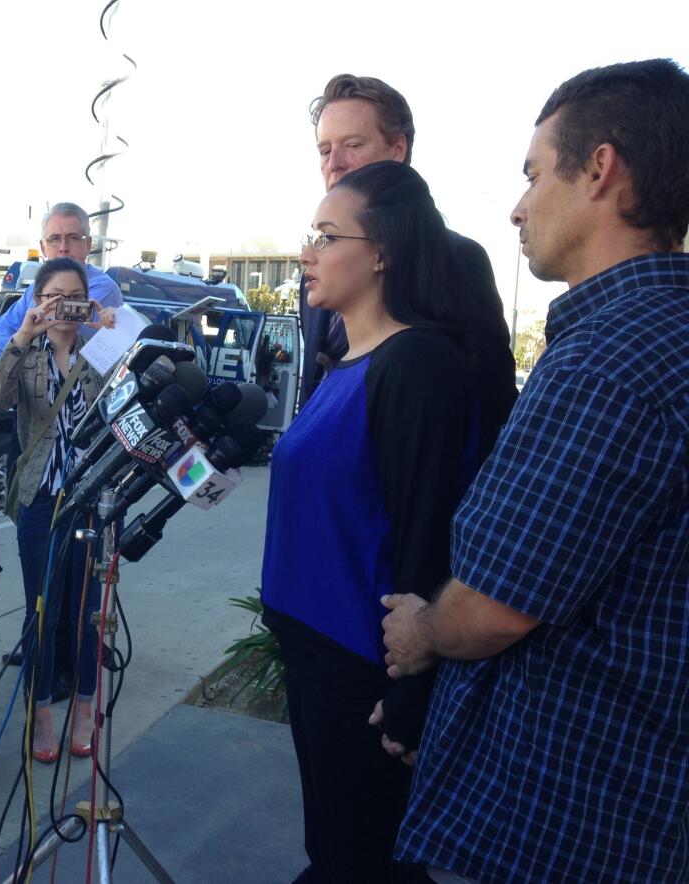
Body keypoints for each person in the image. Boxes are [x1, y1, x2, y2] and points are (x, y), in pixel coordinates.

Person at [380, 59, 689, 884]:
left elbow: (497, 608)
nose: (517, 207)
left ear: (601, 170)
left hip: (565, 828)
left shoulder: (611, 361)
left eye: (532, 174)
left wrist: (421, 630)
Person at [260, 161, 515, 883]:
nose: (307, 253)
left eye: (327, 235)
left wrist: (410, 697)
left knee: (365, 863)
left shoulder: (417, 364)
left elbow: (428, 535)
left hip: (361, 670)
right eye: (310, 234)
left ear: (383, 251)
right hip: (311, 654)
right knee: (332, 853)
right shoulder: (341, 361)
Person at [299, 74, 516, 458]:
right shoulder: (317, 272)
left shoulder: (458, 260)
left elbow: (493, 401)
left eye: (352, 145)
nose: (334, 164)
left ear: (397, 149)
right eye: (324, 150)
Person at [0, 257, 116, 762]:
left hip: (90, 497)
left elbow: (121, 408)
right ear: (38, 300)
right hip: (42, 498)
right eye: (53, 296)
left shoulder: (97, 349)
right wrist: (21, 335)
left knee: (86, 615)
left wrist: (110, 333)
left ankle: (84, 708)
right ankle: (40, 714)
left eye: (74, 297)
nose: (64, 307)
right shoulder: (28, 350)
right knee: (43, 611)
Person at [0, 202, 123, 364]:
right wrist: (30, 364)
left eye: (73, 238)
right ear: (43, 247)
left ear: (88, 245)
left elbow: (62, 342)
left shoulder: (103, 289)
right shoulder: (35, 287)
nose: (63, 248)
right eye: (55, 239)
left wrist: (18, 351)